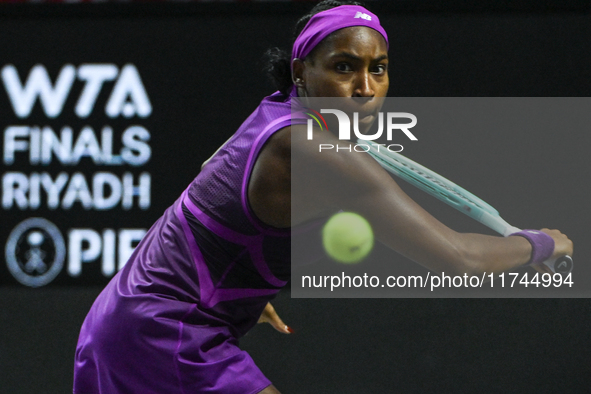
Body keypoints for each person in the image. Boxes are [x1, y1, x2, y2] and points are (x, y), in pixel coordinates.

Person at [73, 2, 573, 393]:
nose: (364, 87)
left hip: (127, 315)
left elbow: (203, 191)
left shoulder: (277, 114)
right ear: (301, 71)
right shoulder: (318, 149)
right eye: (343, 67)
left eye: (379, 69)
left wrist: (234, 280)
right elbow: (459, 258)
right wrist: (543, 244)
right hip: (164, 333)